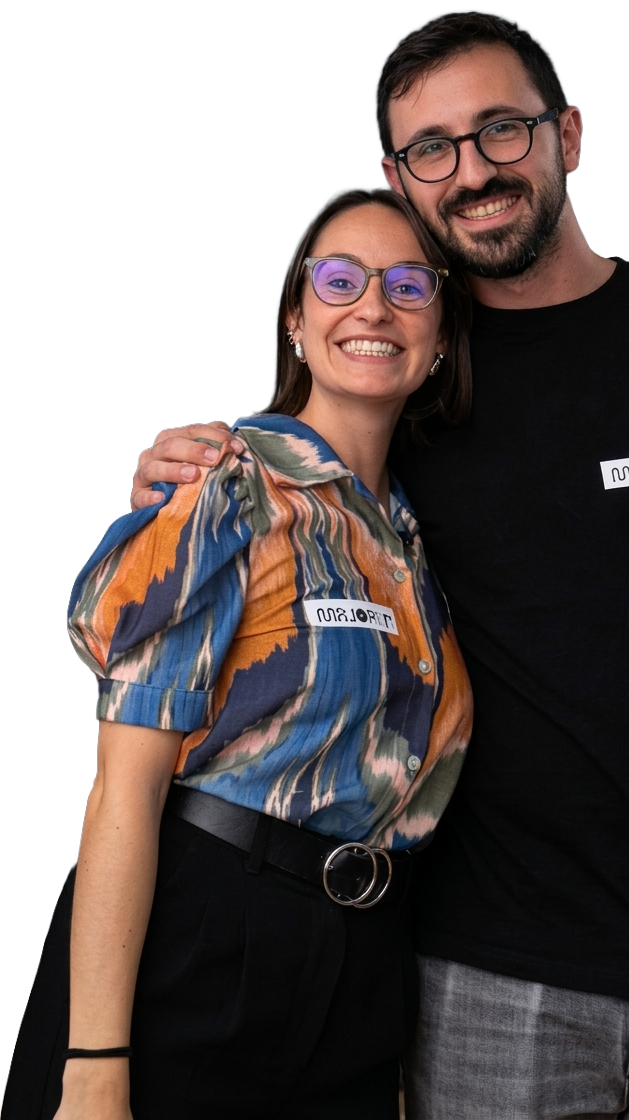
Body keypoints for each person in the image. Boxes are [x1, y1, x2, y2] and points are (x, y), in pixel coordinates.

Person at [126, 12, 629, 1120]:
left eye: (500, 130)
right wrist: (190, 461)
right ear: (399, 177)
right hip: (485, 984)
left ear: (566, 132)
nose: (470, 171)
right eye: (432, 148)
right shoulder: (403, 377)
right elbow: (283, 475)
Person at [7, 188, 473, 1120]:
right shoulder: (229, 489)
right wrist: (95, 1062)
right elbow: (124, 793)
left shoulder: (414, 540)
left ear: (437, 337)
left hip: (364, 970)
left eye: (407, 285)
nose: (373, 306)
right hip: (201, 940)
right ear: (296, 320)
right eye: (340, 281)